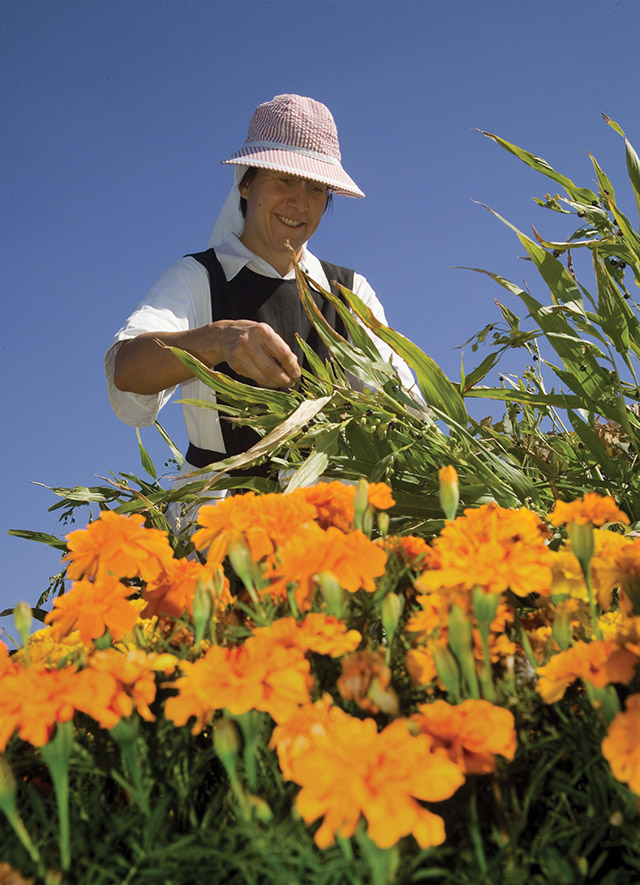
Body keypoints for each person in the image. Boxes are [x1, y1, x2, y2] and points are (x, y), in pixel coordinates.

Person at [105, 94, 420, 491]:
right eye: (284, 180)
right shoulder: (197, 278)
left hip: (329, 524)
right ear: (246, 183)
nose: (300, 201)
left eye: (318, 188)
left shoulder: (351, 292)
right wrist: (217, 341)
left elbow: (406, 408)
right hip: (221, 523)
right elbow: (128, 370)